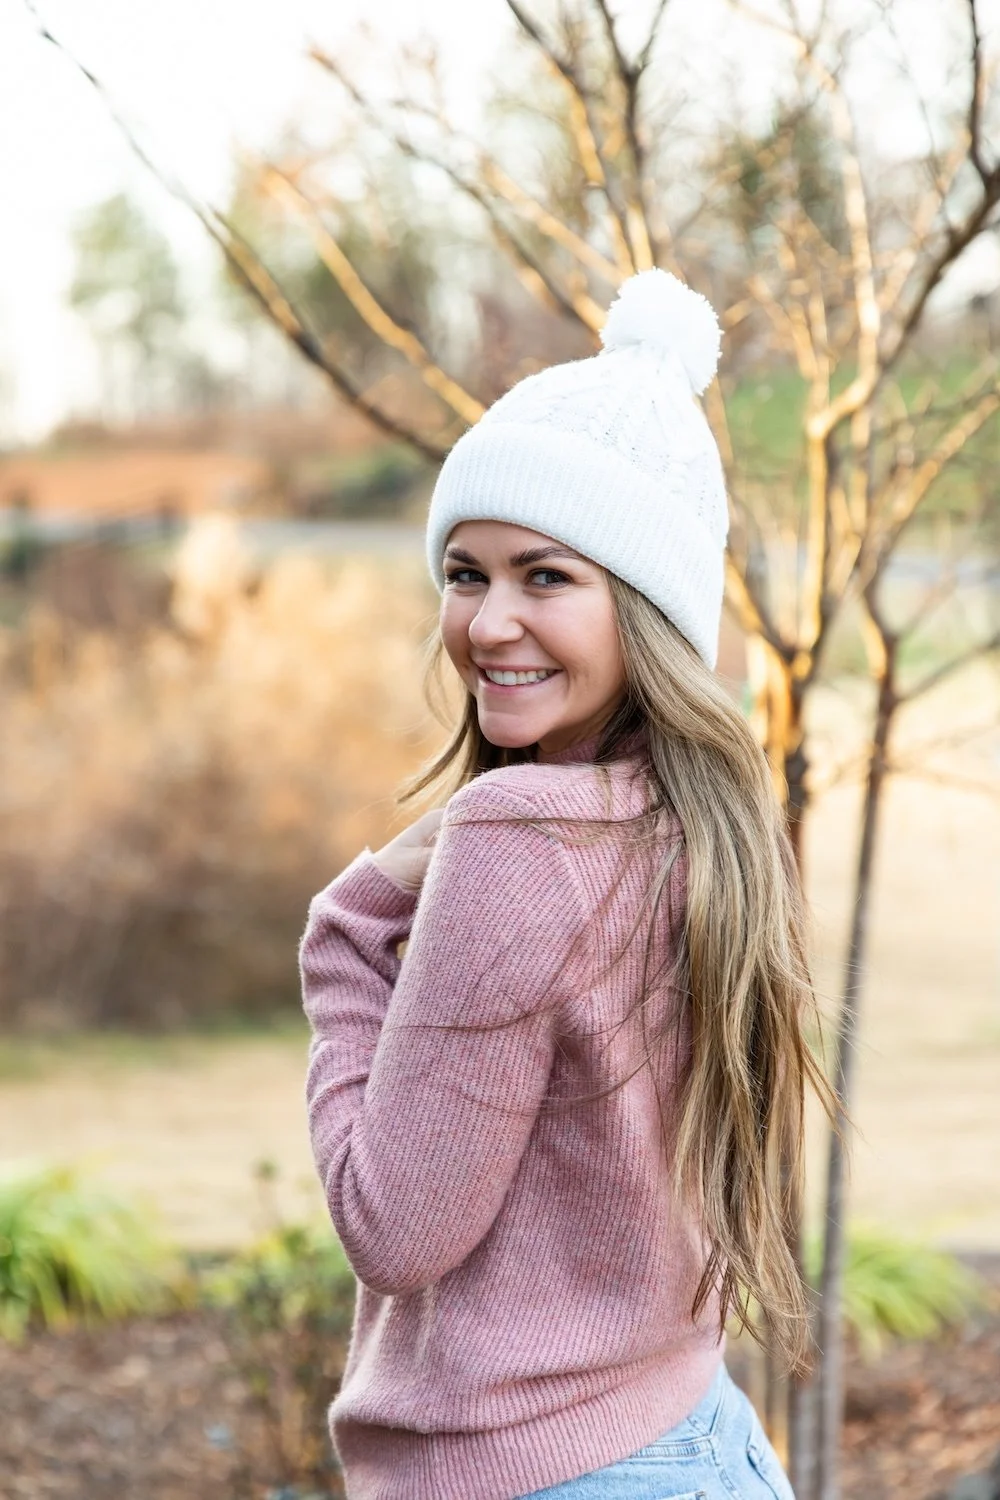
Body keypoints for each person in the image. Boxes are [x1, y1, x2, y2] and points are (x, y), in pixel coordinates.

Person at [299, 269, 836, 1500]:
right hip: (693, 1440)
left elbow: (391, 1228)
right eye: (465, 573)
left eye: (545, 577)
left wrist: (344, 934)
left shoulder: (520, 839)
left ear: (642, 607)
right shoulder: (704, 822)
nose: (489, 622)